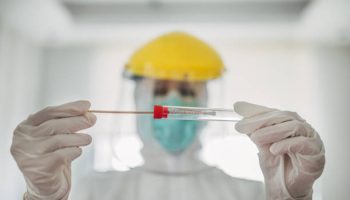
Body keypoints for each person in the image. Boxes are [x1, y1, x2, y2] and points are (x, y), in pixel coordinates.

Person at [10, 32, 325, 200]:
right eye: (160, 90)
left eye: (188, 92)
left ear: (204, 101)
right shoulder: (91, 192)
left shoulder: (250, 194)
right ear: (138, 99)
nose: (174, 101)